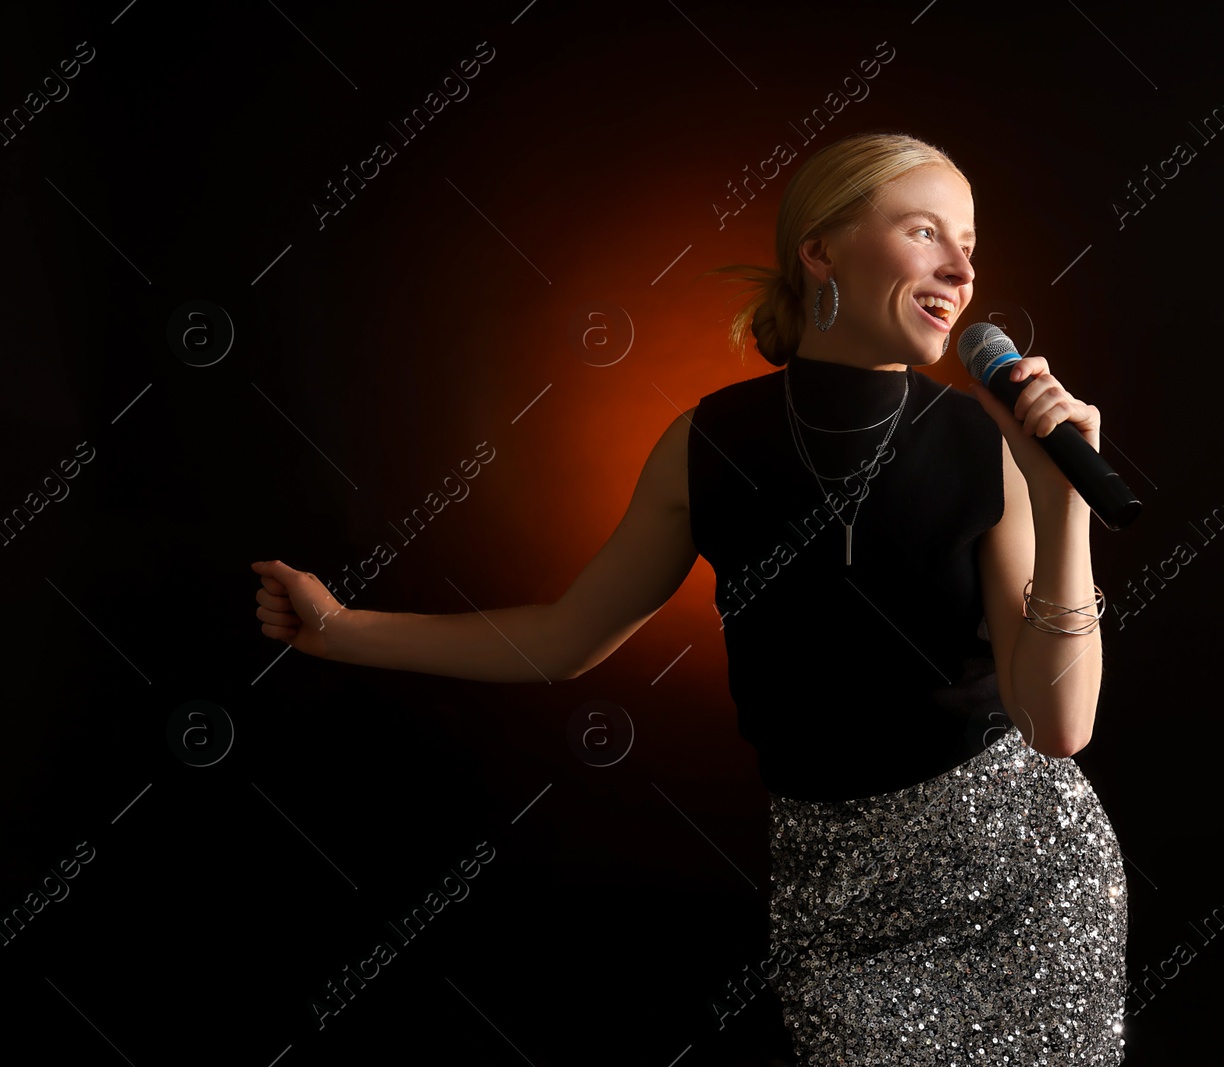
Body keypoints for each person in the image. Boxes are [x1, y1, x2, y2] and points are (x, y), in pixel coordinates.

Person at [250, 131, 1128, 1065]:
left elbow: (1059, 724)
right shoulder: (708, 441)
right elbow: (562, 638)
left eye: (970, 246)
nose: (960, 268)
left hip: (1021, 885)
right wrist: (343, 631)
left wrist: (1063, 503)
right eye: (925, 232)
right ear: (820, 249)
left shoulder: (982, 441)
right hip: (830, 894)